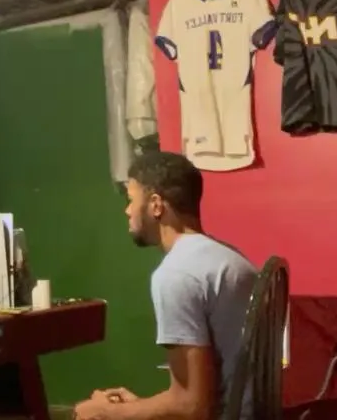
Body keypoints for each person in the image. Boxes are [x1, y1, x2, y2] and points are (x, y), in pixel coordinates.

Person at [73, 152, 257, 420]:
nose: (127, 211)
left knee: (85, 414)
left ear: (156, 205)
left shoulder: (176, 274)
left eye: (131, 200)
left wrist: (107, 411)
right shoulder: (231, 259)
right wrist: (137, 406)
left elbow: (191, 407)